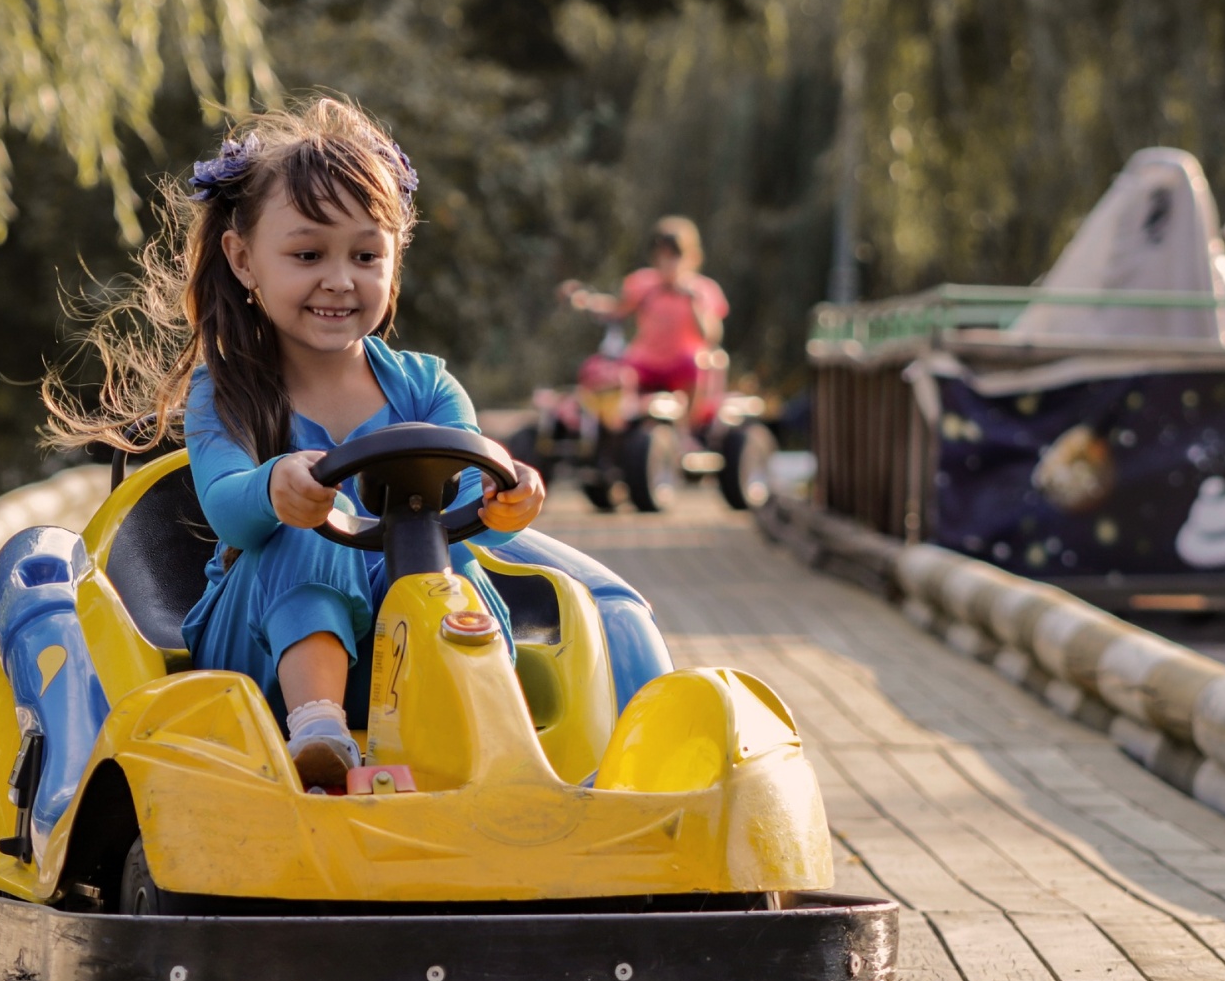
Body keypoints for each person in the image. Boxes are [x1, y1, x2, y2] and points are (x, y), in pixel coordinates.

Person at [43, 98, 545, 789]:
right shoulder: (229, 391)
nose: (340, 279)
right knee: (309, 529)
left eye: (366, 255)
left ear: (394, 262)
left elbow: (466, 508)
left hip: (405, 644)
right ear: (244, 260)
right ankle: (319, 733)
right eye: (308, 254)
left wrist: (504, 499)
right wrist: (274, 487)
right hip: (259, 652)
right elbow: (226, 508)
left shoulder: (428, 389)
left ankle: (493, 752)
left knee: (458, 578)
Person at [560, 216, 728, 395]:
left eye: (674, 256)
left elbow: (712, 336)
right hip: (645, 362)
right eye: (661, 257)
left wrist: (693, 302)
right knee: (606, 374)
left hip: (682, 364)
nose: (667, 264)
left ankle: (689, 423)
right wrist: (585, 300)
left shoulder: (703, 290)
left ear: (692, 257)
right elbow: (617, 308)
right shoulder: (644, 284)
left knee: (703, 364)